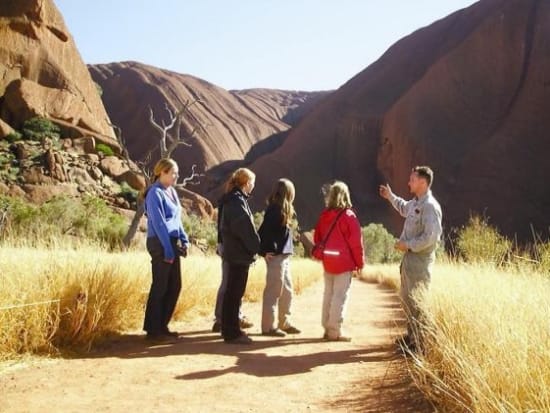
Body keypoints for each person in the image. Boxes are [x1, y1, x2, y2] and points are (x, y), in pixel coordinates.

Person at [379, 166, 443, 351]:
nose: (409, 182)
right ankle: (411, 338)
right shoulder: (416, 203)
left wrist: (407, 245)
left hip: (420, 262)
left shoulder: (430, 207)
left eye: (413, 180)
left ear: (423, 183)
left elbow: (431, 237)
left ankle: (420, 345)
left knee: (418, 302)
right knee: (408, 300)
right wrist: (390, 196)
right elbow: (403, 207)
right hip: (409, 261)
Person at [143, 158, 189, 342]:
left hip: (172, 241)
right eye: (173, 173)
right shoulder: (155, 193)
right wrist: (168, 250)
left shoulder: (172, 192)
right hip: (159, 242)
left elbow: (177, 219)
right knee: (160, 286)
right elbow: (159, 222)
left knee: (174, 285)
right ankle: (153, 330)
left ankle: (162, 325)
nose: (176, 176)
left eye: (177, 173)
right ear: (162, 172)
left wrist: (184, 239)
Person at [313, 181, 364, 342]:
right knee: (339, 296)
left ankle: (326, 327)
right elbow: (356, 243)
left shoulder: (324, 215)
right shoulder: (349, 216)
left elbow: (317, 238)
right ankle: (334, 331)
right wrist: (360, 263)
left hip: (328, 261)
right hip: (344, 263)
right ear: (345, 195)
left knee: (328, 294)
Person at [219, 168, 260, 344]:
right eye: (252, 182)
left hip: (232, 252)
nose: (253, 186)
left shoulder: (233, 199)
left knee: (231, 292)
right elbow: (244, 229)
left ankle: (229, 328)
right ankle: (232, 332)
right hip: (238, 254)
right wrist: (256, 247)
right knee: (234, 293)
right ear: (246, 183)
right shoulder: (237, 201)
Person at [258, 178, 301, 337]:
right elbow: (263, 232)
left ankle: (284, 322)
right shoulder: (275, 210)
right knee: (273, 291)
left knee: (287, 291)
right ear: (288, 192)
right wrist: (264, 251)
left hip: (284, 257)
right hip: (275, 257)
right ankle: (268, 327)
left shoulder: (282, 209)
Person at [212, 203, 254, 333]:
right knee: (229, 284)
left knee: (231, 284)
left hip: (229, 247)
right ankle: (222, 319)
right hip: (231, 249)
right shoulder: (232, 201)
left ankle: (231, 316)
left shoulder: (234, 200)